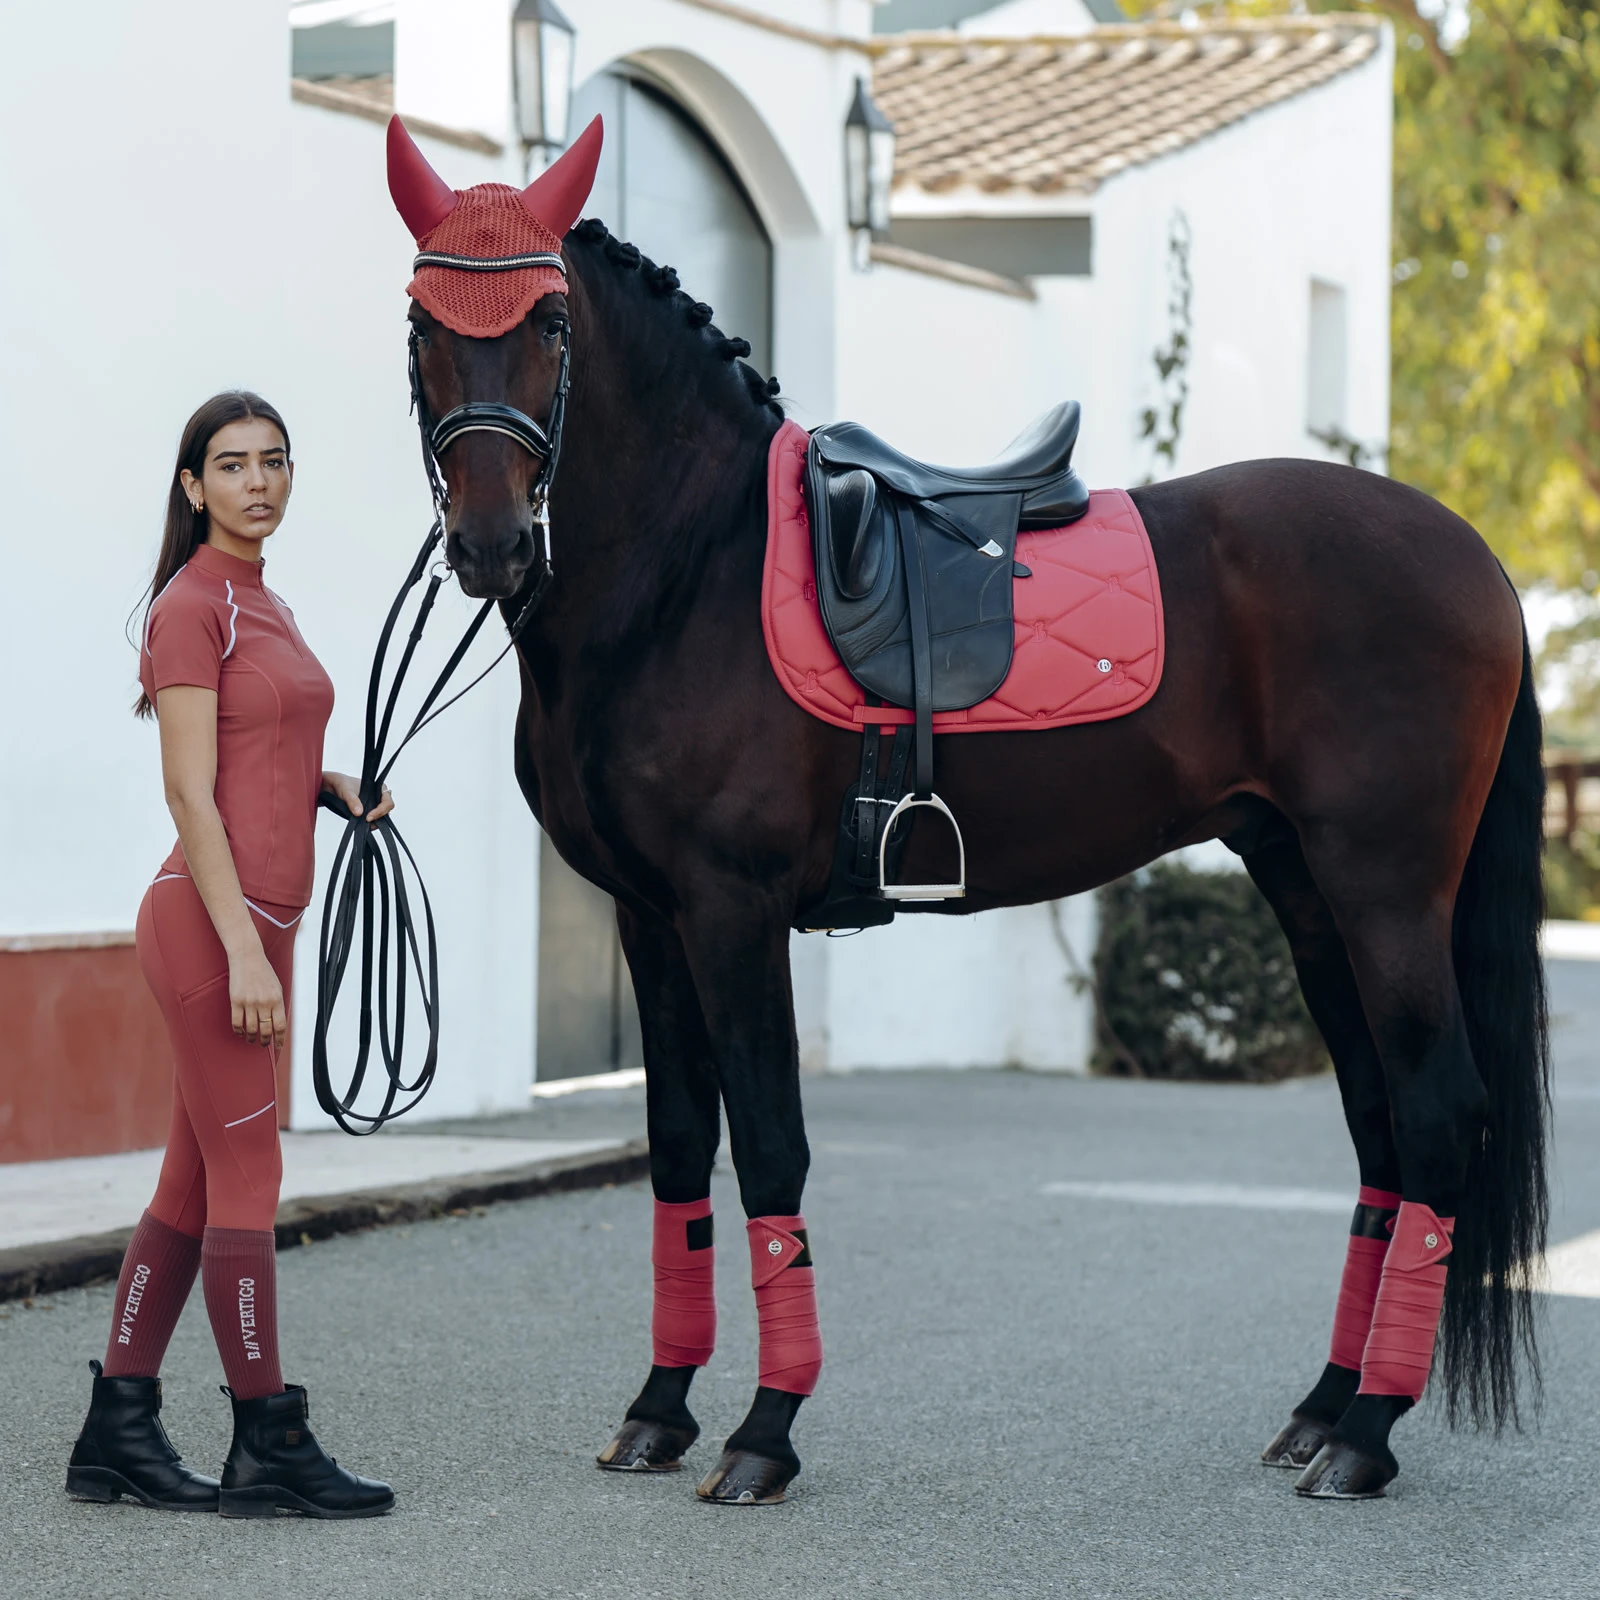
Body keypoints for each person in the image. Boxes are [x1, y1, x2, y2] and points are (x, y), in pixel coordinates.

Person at [66, 391, 394, 1519]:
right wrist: (246, 955)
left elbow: (262, 746)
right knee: (250, 1175)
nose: (258, 482)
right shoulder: (189, 607)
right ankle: (269, 1441)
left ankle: (117, 1430)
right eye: (233, 464)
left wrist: (327, 785)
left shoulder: (269, 602)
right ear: (193, 485)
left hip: (262, 923)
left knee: (195, 1179)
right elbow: (187, 791)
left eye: (275, 462)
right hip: (214, 927)